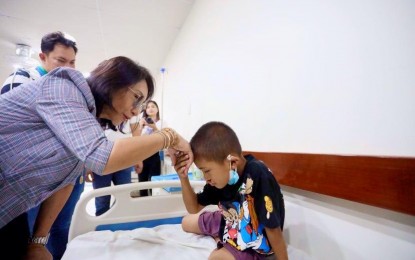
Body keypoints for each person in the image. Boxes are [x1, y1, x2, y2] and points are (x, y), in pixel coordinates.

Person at [0, 56, 193, 260]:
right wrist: (168, 137)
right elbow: (101, 157)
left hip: (12, 205)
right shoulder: (63, 87)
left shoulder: (89, 123)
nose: (137, 110)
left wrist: (38, 241)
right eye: (136, 97)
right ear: (113, 81)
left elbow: (66, 180)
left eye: (142, 104)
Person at [0, 31, 83, 260]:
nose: (68, 67)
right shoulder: (22, 79)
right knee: (25, 236)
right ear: (43, 57)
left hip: (66, 172)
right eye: (61, 61)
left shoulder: (70, 90)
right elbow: (11, 129)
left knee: (61, 227)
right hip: (30, 175)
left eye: (73, 62)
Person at [174, 121, 288, 260]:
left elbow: (273, 229)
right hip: (228, 218)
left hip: (253, 237)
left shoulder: (258, 175)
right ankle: (219, 233)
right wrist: (183, 177)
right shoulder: (220, 178)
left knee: (216, 258)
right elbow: (194, 207)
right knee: (186, 222)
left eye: (207, 171)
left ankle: (221, 238)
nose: (206, 178)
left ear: (232, 163)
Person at [91, 118, 142, 216]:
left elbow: (135, 132)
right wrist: (88, 166)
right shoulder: (96, 105)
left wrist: (138, 158)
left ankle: (121, 224)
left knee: (124, 196)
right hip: (101, 157)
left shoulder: (131, 108)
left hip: (125, 157)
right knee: (101, 198)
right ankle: (102, 227)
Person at [135, 100, 163, 196]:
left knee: (153, 183)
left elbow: (163, 138)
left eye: (153, 106)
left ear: (157, 109)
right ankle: (143, 206)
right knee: (142, 184)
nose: (150, 108)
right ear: (145, 110)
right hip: (142, 155)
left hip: (155, 155)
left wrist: (154, 127)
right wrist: (140, 127)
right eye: (148, 107)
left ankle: (153, 206)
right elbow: (136, 139)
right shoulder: (141, 123)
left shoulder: (161, 123)